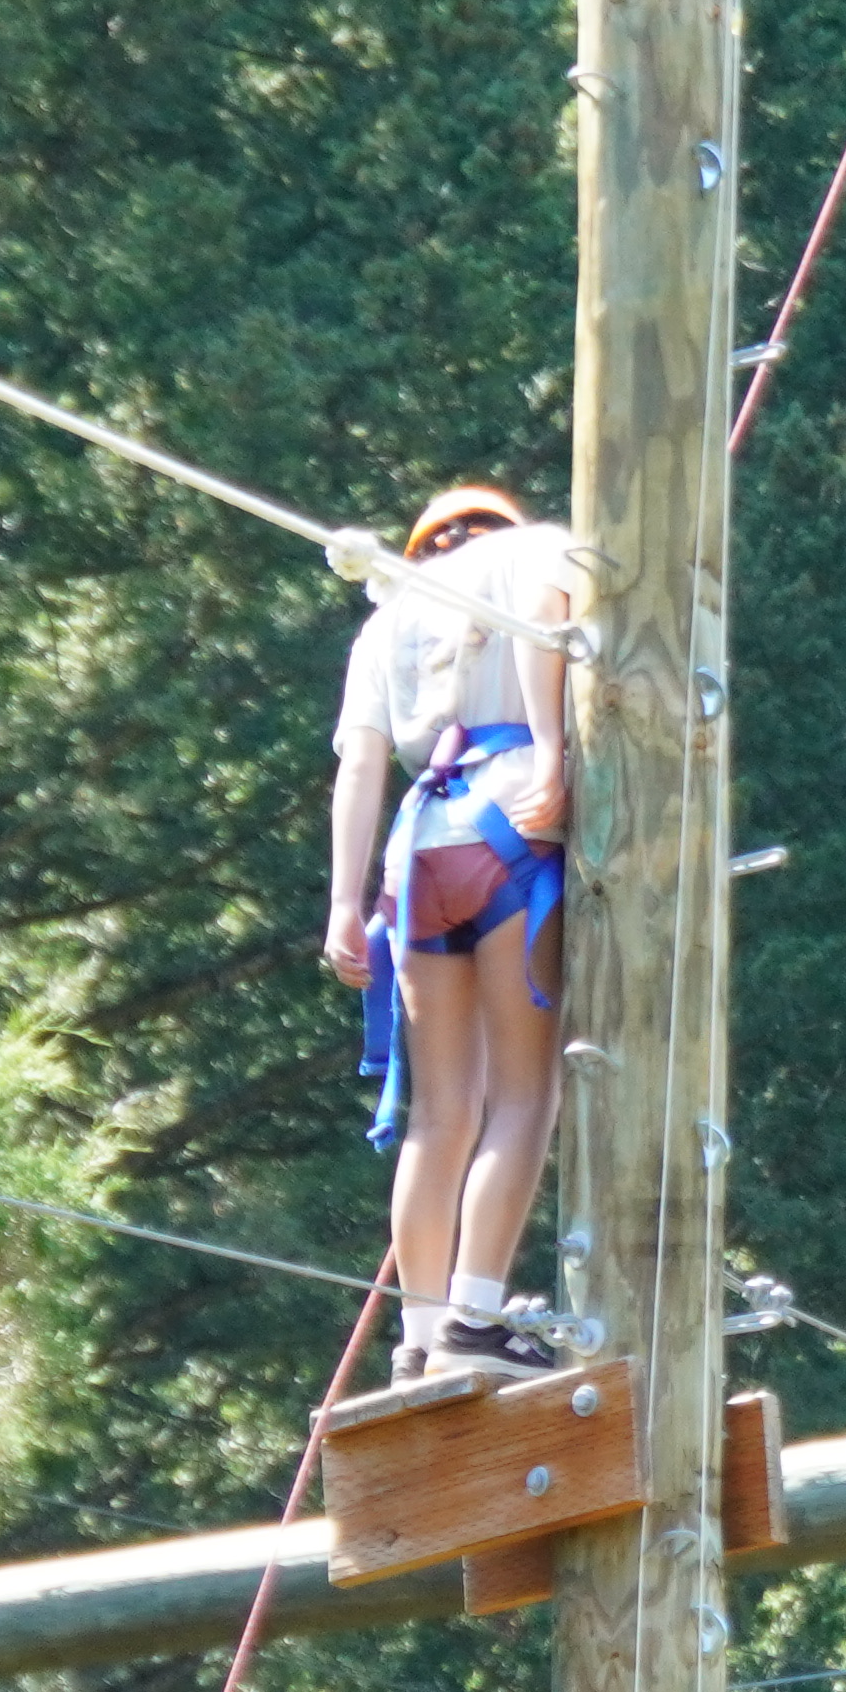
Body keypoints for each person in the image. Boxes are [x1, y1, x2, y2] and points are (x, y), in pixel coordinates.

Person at [324, 480, 587, 1378]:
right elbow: (549, 622)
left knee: (439, 1114)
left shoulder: (387, 616)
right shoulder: (533, 551)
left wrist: (342, 904)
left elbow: (360, 766)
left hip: (417, 848)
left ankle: (421, 1334)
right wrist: (554, 749)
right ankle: (476, 1318)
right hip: (509, 817)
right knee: (526, 1094)